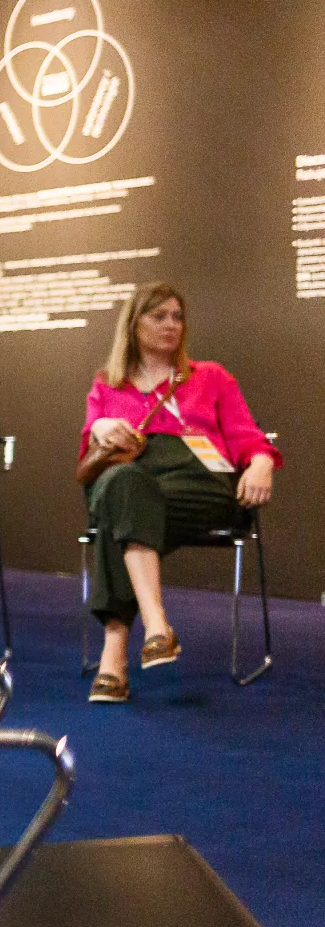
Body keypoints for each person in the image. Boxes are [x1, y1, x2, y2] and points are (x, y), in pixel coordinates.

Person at [79, 281, 280, 702]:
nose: (171, 325)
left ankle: (114, 653)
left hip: (197, 484)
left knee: (122, 516)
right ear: (134, 325)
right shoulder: (106, 385)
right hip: (129, 483)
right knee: (123, 487)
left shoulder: (211, 377)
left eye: (177, 317)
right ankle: (156, 624)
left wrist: (262, 461)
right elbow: (89, 457)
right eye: (159, 316)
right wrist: (99, 427)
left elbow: (246, 435)